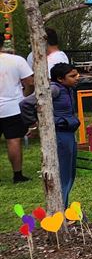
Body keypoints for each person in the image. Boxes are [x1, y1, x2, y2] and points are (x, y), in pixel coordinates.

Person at [50, 63, 82, 207]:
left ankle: (64, 207)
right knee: (63, 175)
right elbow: (27, 103)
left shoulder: (67, 88)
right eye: (72, 76)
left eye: (77, 74)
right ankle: (59, 210)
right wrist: (36, 123)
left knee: (70, 173)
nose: (77, 77)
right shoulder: (54, 89)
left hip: (69, 134)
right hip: (60, 135)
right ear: (60, 78)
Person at [1, 50, 33, 183]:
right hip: (12, 107)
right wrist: (25, 96)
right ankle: (17, 175)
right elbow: (30, 82)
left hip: (12, 107)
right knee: (13, 140)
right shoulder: (17, 60)